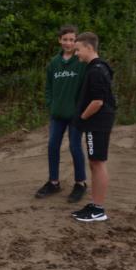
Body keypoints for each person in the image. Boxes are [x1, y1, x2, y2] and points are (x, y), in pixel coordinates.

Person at [35, 25, 88, 202]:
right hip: (57, 114)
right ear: (60, 40)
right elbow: (48, 87)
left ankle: (80, 183)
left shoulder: (81, 61)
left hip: (76, 114)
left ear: (76, 41)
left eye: (72, 40)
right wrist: (51, 104)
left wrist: (81, 109)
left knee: (75, 146)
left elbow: (87, 86)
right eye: (65, 39)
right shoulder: (54, 63)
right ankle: (53, 182)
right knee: (52, 146)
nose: (68, 43)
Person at [71, 32, 116, 222]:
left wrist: (82, 118)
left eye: (78, 50)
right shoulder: (97, 68)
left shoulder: (96, 70)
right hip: (98, 122)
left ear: (89, 48)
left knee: (98, 163)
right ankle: (95, 204)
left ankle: (98, 209)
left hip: (97, 123)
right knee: (94, 162)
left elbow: (98, 101)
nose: (76, 54)